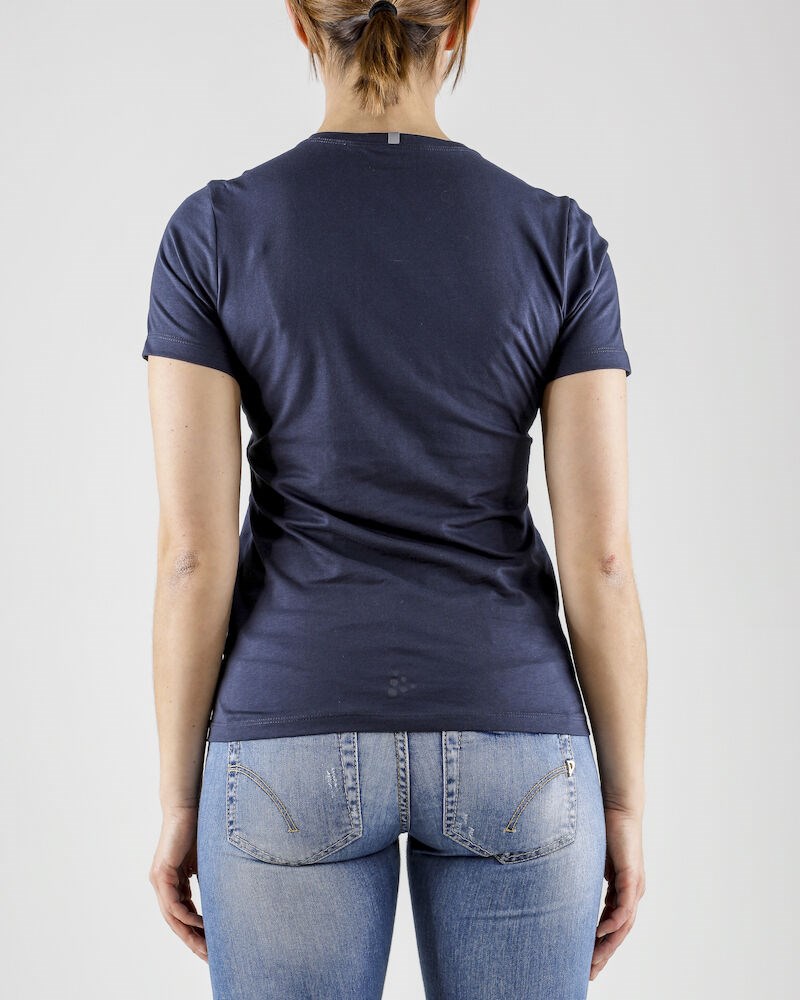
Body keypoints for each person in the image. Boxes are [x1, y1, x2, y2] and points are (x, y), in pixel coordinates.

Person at [143, 1, 647, 997]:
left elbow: (191, 559)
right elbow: (602, 562)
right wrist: (623, 804)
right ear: (458, 25)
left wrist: (177, 799)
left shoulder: (213, 233)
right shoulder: (558, 240)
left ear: (302, 25)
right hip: (516, 739)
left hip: (286, 738)